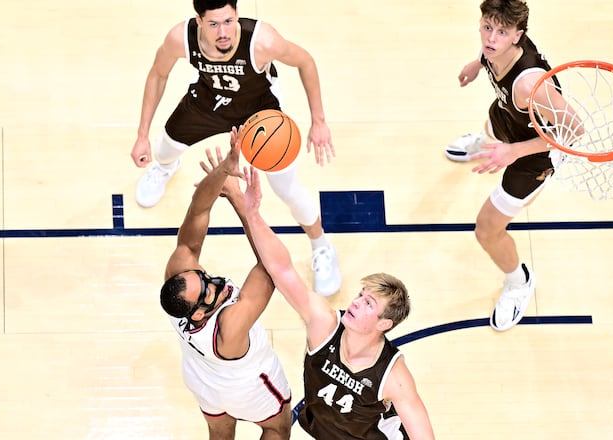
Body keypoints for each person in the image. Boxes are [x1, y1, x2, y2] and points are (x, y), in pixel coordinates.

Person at [131, 0, 342, 296]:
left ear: (237, 15)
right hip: (207, 102)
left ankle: (321, 246)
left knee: (287, 189)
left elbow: (305, 61)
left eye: (229, 21)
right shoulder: (181, 38)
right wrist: (142, 133)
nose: (223, 33)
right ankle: (166, 168)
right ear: (199, 21)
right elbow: (158, 73)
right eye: (214, 24)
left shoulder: (263, 41)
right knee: (163, 150)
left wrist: (318, 121)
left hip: (259, 112)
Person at [238, 163, 435, 439]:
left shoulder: (393, 375)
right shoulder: (324, 324)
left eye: (369, 304)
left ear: (384, 323)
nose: (355, 303)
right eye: (360, 296)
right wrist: (253, 214)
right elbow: (282, 270)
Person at [443, 0, 577, 331]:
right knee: (493, 122)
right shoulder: (495, 48)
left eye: (501, 32)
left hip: (534, 157)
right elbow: (488, 47)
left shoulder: (530, 86)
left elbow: (574, 131)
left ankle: (519, 282)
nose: (491, 38)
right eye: (486, 27)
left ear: (518, 36)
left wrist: (513, 152)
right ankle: (486, 142)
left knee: (487, 230)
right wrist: (477, 64)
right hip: (511, 120)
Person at [159, 128, 292, 439]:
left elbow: (198, 209)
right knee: (277, 428)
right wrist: (238, 199)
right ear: (197, 314)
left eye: (202, 275)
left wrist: (223, 171)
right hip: (245, 387)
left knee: (219, 433)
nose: (211, 279)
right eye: (207, 289)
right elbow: (270, 266)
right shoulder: (229, 326)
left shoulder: (178, 282)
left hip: (203, 380)